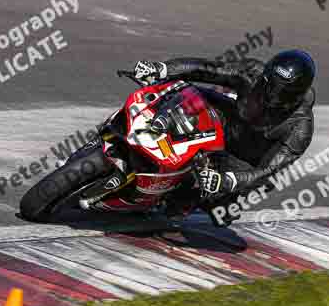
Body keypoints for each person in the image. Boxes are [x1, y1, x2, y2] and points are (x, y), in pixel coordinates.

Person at [132, 49, 317, 226]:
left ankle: (189, 197)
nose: (273, 96)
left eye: (282, 93)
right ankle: (151, 122)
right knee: (184, 91)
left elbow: (269, 172)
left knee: (220, 214)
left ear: (298, 95)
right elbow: (208, 69)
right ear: (266, 76)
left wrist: (227, 181)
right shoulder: (253, 73)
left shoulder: (300, 126)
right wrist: (162, 69)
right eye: (270, 86)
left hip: (246, 161)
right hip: (229, 122)